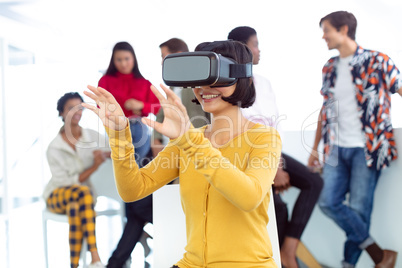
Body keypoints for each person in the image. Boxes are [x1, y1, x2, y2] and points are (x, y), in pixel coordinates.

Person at [83, 40, 282, 267]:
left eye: (215, 79)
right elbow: (133, 189)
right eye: (199, 80)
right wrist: (119, 134)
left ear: (240, 78)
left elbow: (249, 196)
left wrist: (189, 141)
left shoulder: (264, 137)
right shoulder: (188, 140)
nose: (204, 88)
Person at [308, 11, 402, 268]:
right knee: (327, 202)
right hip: (336, 149)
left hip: (368, 149)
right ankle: (380, 255)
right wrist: (314, 149)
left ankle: (348, 264)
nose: (324, 36)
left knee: (359, 210)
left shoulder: (378, 60)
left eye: (326, 30)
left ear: (344, 30)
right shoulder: (329, 67)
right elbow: (325, 110)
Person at [228, 26, 324, 268]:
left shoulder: (264, 82)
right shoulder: (231, 84)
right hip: (247, 155)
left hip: (271, 150)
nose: (259, 50)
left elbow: (273, 126)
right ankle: (277, 259)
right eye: (255, 44)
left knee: (314, 182)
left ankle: (288, 251)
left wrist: (277, 161)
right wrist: (274, 168)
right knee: (277, 208)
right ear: (242, 48)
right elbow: (244, 131)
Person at [98, 41, 159, 268]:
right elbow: (101, 107)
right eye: (119, 59)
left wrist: (140, 105)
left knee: (132, 183)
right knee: (132, 186)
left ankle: (118, 260)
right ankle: (141, 235)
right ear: (113, 61)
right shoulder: (106, 81)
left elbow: (156, 109)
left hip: (139, 129)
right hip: (117, 131)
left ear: (134, 59)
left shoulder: (144, 82)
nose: (123, 63)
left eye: (127, 58)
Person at [43, 92, 109, 268]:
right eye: (71, 108)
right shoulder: (53, 148)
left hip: (79, 200)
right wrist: (94, 166)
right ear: (62, 113)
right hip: (57, 195)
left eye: (80, 108)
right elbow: (66, 183)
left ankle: (74, 265)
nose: (76, 112)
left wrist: (104, 154)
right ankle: (95, 256)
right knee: (83, 192)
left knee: (77, 206)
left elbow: (114, 151)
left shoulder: (91, 136)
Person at [152, 37, 211, 159]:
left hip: (192, 152)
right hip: (169, 153)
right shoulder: (172, 85)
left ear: (178, 56)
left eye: (164, 56)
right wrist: (156, 141)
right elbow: (161, 116)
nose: (162, 62)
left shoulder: (200, 82)